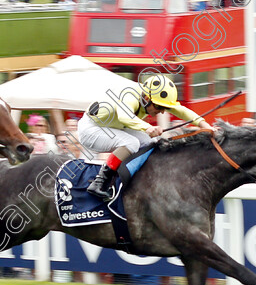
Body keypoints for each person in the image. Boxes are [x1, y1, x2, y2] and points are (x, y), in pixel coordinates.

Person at [79, 74, 217, 199]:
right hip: (91, 129)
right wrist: (148, 127)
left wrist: (206, 126)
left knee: (151, 141)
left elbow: (181, 110)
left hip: (112, 127)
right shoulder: (130, 96)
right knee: (131, 143)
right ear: (146, 99)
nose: (162, 112)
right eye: (159, 108)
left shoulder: (151, 97)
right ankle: (99, 183)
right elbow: (124, 117)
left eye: (164, 108)